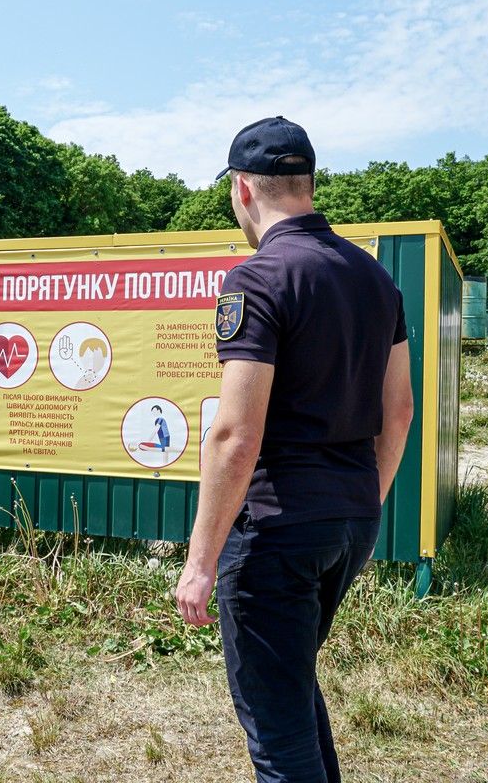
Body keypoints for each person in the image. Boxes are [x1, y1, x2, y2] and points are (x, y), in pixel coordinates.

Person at [174, 117, 414, 783]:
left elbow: (236, 435)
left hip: (276, 531)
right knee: (291, 691)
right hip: (351, 521)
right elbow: (398, 412)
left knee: (278, 736)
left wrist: (200, 562)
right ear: (308, 183)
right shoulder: (376, 279)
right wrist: (361, 504)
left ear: (243, 190)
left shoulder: (257, 279)